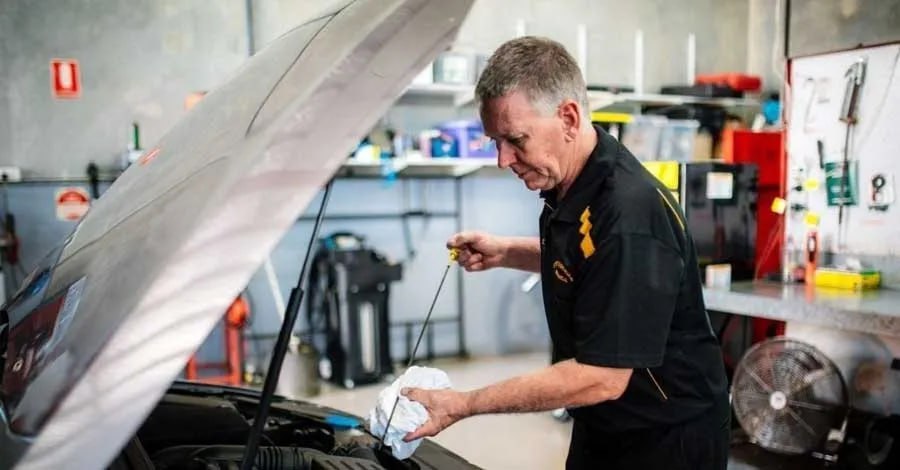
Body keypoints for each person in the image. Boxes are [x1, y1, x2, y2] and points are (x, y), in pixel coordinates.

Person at [400, 36, 731, 469]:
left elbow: (601, 376)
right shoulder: (572, 186)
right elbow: (589, 264)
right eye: (495, 141)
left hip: (665, 436)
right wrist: (505, 252)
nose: (503, 159)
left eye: (515, 139)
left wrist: (465, 403)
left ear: (569, 118)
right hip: (605, 420)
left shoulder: (629, 215)